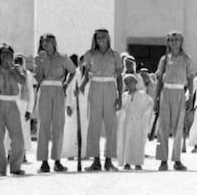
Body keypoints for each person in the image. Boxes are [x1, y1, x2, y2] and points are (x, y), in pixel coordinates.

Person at [81, 29, 123, 171]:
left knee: (111, 125)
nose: (101, 40)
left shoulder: (115, 55)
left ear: (108, 38)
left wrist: (120, 96)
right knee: (94, 124)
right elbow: (86, 75)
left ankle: (109, 160)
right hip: (95, 87)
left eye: (104, 37)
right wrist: (80, 87)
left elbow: (119, 77)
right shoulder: (90, 55)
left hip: (110, 88)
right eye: (98, 37)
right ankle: (96, 160)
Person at [34, 34, 76, 172]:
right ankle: (44, 161)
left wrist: (66, 84)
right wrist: (39, 63)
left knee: (58, 125)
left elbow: (72, 70)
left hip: (58, 89)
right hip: (45, 89)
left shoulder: (63, 57)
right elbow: (38, 78)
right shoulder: (39, 58)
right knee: (43, 126)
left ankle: (57, 160)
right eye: (43, 42)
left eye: (48, 41)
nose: (45, 44)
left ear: (54, 43)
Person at [153, 31, 194, 171]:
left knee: (178, 127)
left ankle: (177, 159)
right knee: (163, 127)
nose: (174, 42)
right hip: (166, 91)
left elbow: (190, 79)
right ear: (168, 42)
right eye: (171, 40)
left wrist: (190, 97)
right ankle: (163, 160)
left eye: (177, 39)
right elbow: (159, 79)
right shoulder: (164, 59)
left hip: (180, 92)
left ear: (181, 41)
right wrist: (156, 97)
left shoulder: (186, 59)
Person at [0, 43, 28, 176]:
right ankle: (1, 169)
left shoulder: (16, 69)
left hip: (12, 103)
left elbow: (22, 81)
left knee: (18, 138)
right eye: (2, 53)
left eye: (8, 53)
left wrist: (12, 69)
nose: (5, 56)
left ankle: (15, 166)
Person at [117, 74, 153, 169]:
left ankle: (137, 162)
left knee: (138, 141)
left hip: (139, 122)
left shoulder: (142, 95)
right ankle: (127, 162)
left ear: (135, 83)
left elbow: (150, 105)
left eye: (131, 82)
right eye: (127, 83)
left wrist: (143, 113)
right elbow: (120, 109)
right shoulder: (124, 96)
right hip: (127, 122)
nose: (129, 85)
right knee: (126, 141)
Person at [13, 54, 35, 163]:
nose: (18, 63)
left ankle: (23, 154)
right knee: (11, 131)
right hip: (12, 105)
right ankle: (10, 153)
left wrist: (29, 110)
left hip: (24, 105)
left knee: (24, 132)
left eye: (20, 61)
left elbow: (31, 92)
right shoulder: (11, 73)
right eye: (16, 60)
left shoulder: (28, 74)